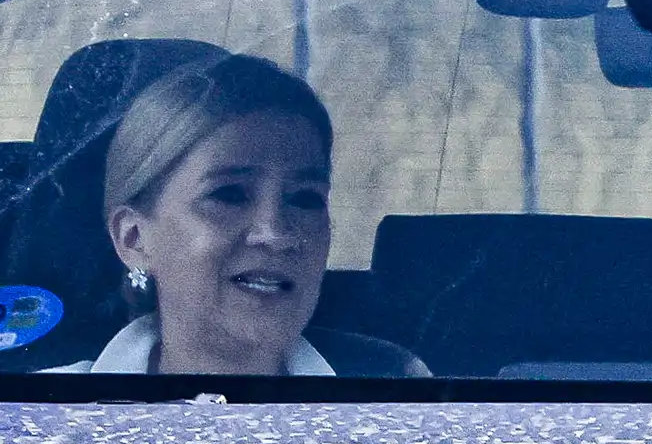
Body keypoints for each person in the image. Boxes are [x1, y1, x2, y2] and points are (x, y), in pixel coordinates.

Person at [42, 54, 430, 376]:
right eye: (228, 195)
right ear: (134, 238)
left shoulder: (405, 403)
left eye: (305, 199)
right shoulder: (35, 420)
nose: (276, 233)